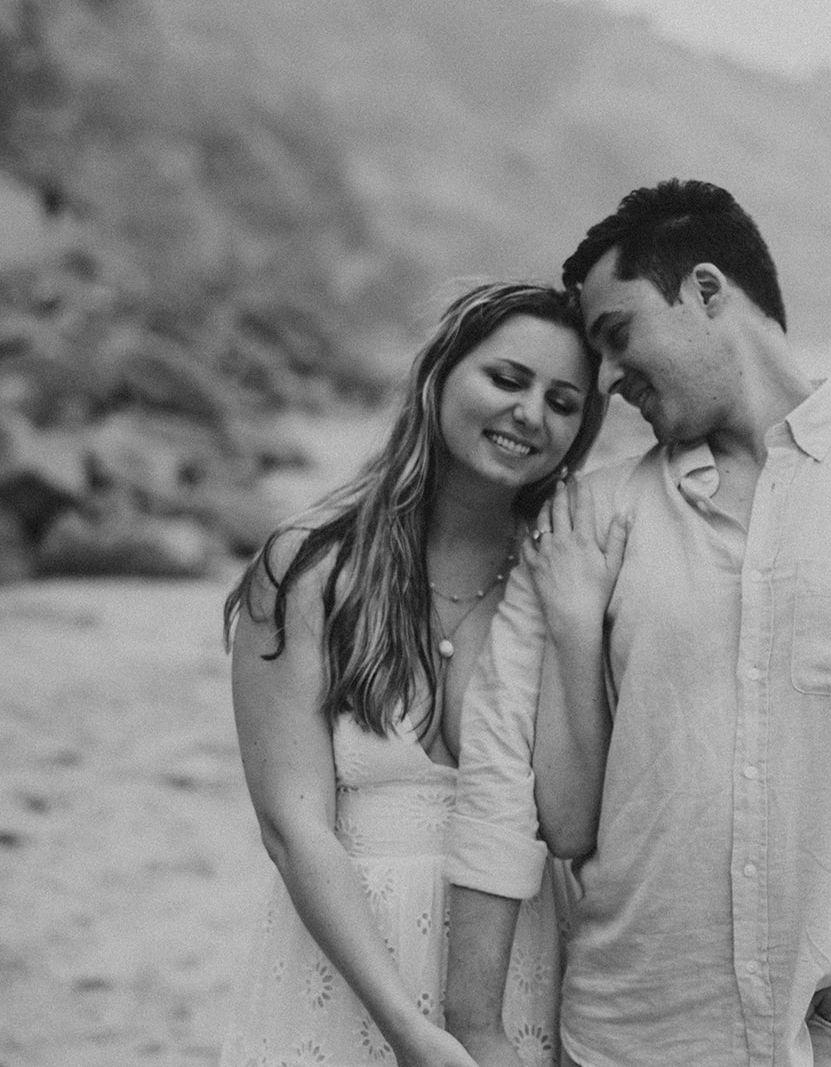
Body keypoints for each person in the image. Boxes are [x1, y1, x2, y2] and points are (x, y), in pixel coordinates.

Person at [444, 181, 831, 1066]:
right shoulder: (591, 521)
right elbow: (502, 781)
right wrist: (474, 1024)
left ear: (706, 289)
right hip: (628, 1034)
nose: (608, 380)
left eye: (618, 335)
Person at [218, 281, 607, 1067]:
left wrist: (576, 624)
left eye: (563, 402)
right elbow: (293, 828)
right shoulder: (311, 567)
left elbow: (573, 820)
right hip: (351, 965)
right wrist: (409, 1029)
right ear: (439, 375)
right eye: (507, 379)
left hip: (522, 959)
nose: (530, 413)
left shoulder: (568, 570)